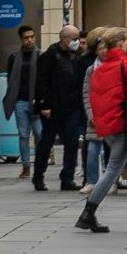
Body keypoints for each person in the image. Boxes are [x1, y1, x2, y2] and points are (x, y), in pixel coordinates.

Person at [76, 28, 127, 235]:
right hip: (125, 125)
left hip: (109, 125)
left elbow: (95, 98)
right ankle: (87, 213)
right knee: (113, 170)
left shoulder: (100, 69)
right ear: (121, 43)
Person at [37, 23, 87, 191]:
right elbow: (42, 82)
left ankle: (67, 178)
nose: (78, 41)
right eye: (75, 38)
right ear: (65, 39)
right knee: (46, 142)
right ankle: (38, 176)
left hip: (71, 107)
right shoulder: (50, 56)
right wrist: (44, 104)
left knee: (72, 142)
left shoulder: (76, 56)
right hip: (53, 107)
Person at [6, 25, 39, 181]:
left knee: (40, 134)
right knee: (23, 135)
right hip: (21, 101)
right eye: (26, 37)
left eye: (32, 37)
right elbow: (10, 79)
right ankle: (26, 166)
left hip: (37, 102)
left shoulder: (41, 55)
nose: (30, 40)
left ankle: (40, 164)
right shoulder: (14, 57)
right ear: (21, 39)